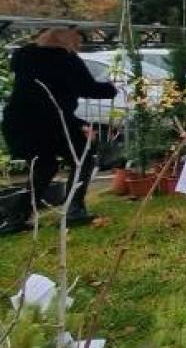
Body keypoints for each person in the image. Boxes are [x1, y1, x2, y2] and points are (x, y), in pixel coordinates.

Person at [1, 27, 118, 233]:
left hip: (19, 120)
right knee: (83, 155)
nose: (78, 46)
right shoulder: (65, 59)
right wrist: (111, 88)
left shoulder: (23, 56)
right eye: (76, 41)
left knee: (44, 166)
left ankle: (16, 218)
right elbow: (87, 88)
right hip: (51, 120)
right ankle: (74, 208)